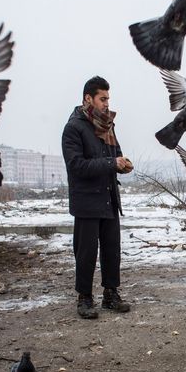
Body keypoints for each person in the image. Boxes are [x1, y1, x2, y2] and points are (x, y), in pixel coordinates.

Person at [62, 76, 133, 319]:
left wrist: (122, 164)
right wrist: (110, 163)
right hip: (86, 202)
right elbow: (77, 166)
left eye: (108, 99)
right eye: (102, 99)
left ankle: (110, 295)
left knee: (112, 250)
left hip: (108, 198)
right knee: (86, 253)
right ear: (88, 98)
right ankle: (84, 298)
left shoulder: (107, 126)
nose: (106, 103)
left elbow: (115, 154)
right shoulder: (74, 128)